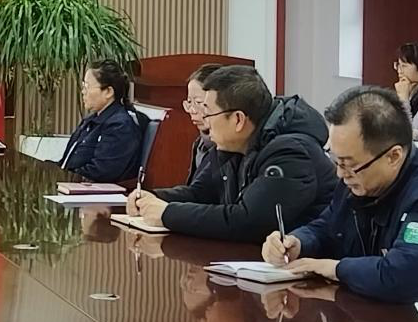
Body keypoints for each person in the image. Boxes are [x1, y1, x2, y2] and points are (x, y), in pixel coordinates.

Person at [262, 86, 418, 303]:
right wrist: (297, 242)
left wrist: (335, 269)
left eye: (348, 164)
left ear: (393, 156)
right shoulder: (359, 178)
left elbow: (404, 276)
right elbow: (328, 226)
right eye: (336, 161)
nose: (340, 173)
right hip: (388, 316)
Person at [126, 65, 336, 241]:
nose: (205, 120)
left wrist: (167, 213)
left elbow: (248, 222)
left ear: (238, 120)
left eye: (208, 112)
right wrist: (153, 198)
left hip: (308, 268)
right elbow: (201, 194)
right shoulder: (234, 143)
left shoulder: (290, 153)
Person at [59, 60, 145, 183]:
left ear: (108, 92)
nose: (83, 92)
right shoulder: (90, 120)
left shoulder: (120, 126)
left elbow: (100, 173)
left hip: (91, 191)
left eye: (87, 87)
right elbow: (67, 162)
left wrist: (65, 178)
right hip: (71, 184)